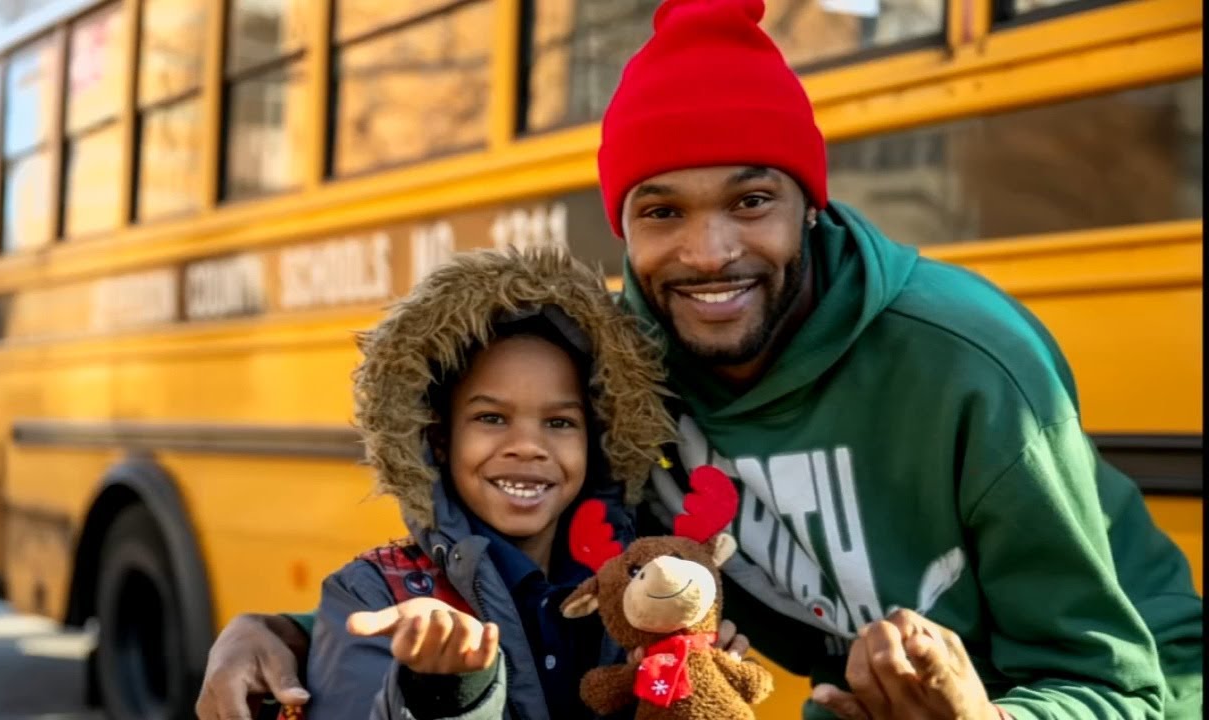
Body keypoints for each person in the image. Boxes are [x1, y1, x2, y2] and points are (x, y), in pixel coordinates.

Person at [196, 0, 1202, 718]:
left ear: (808, 202)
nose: (710, 253)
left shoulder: (972, 364)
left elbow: (1119, 678)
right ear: (620, 233)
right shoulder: (622, 374)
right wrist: (288, 633)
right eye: (661, 211)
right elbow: (548, 577)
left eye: (750, 200)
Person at [246, 248, 750, 720]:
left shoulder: (643, 583)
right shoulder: (374, 596)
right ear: (438, 438)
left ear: (600, 440)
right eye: (491, 418)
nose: (527, 446)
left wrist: (688, 694)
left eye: (559, 423)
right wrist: (442, 691)